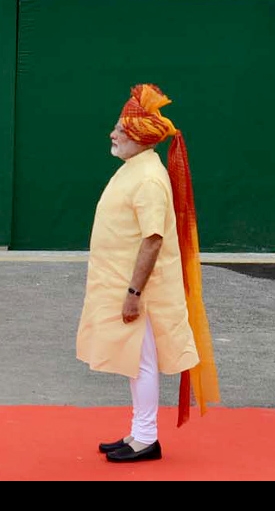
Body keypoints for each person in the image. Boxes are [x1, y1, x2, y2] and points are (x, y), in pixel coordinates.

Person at [76, 84, 219, 463]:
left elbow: (152, 241)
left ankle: (146, 438)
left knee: (141, 363)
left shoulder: (149, 179)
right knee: (134, 363)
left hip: (142, 291)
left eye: (120, 130)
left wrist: (133, 293)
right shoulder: (135, 169)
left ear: (139, 137)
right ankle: (138, 432)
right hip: (124, 285)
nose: (113, 135)